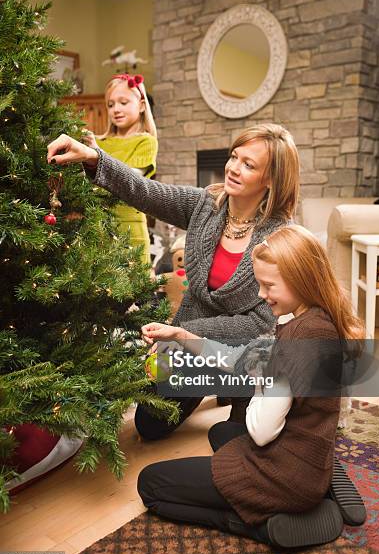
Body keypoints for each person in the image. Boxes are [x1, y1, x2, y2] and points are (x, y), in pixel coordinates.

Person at [47, 123, 300, 433]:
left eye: (248, 165)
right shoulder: (206, 205)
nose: (233, 168)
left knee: (240, 434)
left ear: (271, 179)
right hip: (185, 343)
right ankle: (209, 384)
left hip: (238, 352)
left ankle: (233, 390)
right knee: (149, 425)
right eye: (234, 157)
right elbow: (146, 192)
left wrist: (181, 333)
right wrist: (94, 157)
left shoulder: (279, 236)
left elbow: (258, 325)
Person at [137, 225, 367, 549]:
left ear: (300, 279)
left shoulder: (299, 337)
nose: (260, 294)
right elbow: (238, 360)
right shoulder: (316, 319)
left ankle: (269, 525)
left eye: (268, 285)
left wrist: (263, 380)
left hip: (285, 478)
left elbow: (261, 432)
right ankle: (323, 471)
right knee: (220, 434)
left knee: (151, 485)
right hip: (305, 452)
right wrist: (180, 336)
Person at [86, 73, 157, 264]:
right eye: (111, 104)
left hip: (130, 227)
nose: (116, 109)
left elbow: (131, 179)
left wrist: (96, 156)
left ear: (141, 105)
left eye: (124, 102)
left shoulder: (146, 141)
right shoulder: (99, 142)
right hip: (98, 226)